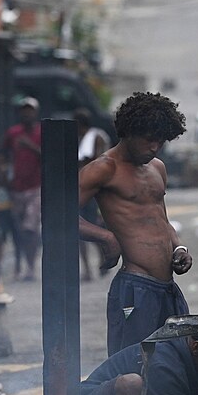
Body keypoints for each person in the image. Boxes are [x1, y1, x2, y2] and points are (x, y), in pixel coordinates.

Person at [78, 91, 189, 356]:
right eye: (149, 140)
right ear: (129, 132)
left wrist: (179, 249)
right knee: (132, 369)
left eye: (161, 142)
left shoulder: (158, 168)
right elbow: (58, 216)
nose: (154, 148)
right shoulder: (104, 168)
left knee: (178, 364)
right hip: (135, 288)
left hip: (168, 288)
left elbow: (161, 221)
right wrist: (106, 238)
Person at [0, 98, 44, 281]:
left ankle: (31, 265)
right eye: (24, 110)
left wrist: (30, 147)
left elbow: (47, 155)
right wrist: (1, 173)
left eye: (30, 110)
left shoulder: (41, 133)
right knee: (16, 229)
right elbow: (0, 154)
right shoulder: (13, 133)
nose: (27, 114)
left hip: (35, 187)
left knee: (29, 228)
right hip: (15, 188)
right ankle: (18, 264)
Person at [75, 108, 113, 283]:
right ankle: (87, 268)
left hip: (94, 189)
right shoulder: (76, 139)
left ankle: (102, 260)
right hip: (80, 187)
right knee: (80, 229)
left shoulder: (96, 136)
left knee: (97, 226)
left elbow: (98, 161)